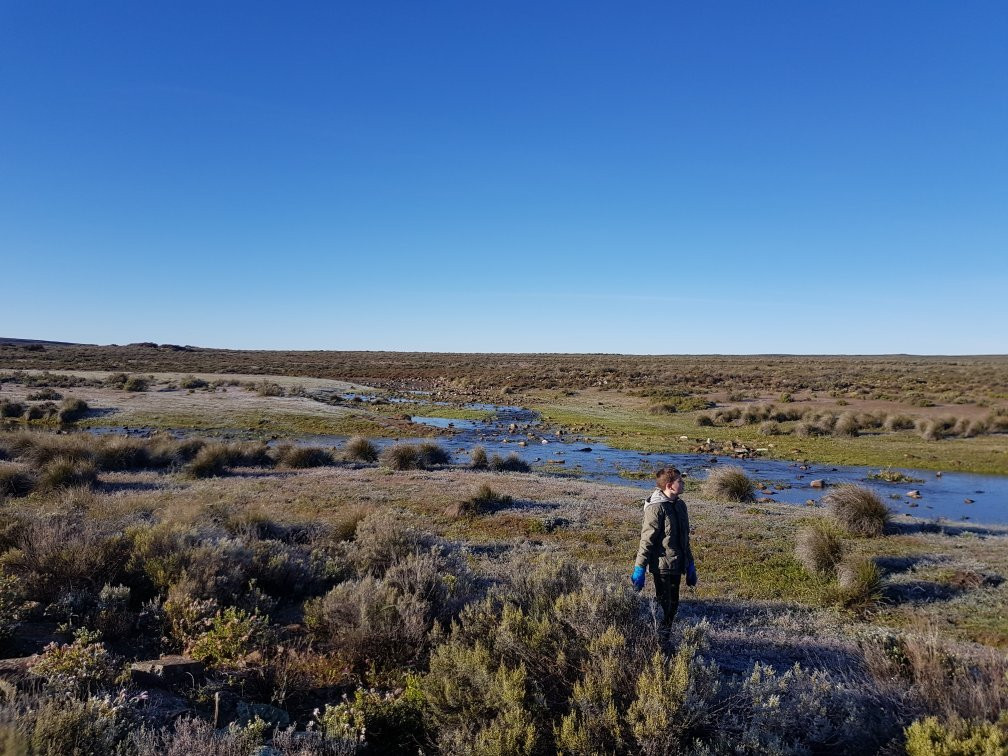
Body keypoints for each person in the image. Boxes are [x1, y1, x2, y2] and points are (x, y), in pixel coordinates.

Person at [630, 467, 696, 627]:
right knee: (665, 607)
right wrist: (639, 567)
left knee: (674, 605)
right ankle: (659, 637)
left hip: (678, 564)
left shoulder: (681, 505)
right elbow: (647, 540)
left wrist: (690, 563)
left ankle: (664, 635)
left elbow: (684, 538)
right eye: (680, 481)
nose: (683, 483)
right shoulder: (655, 508)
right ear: (669, 485)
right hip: (662, 566)